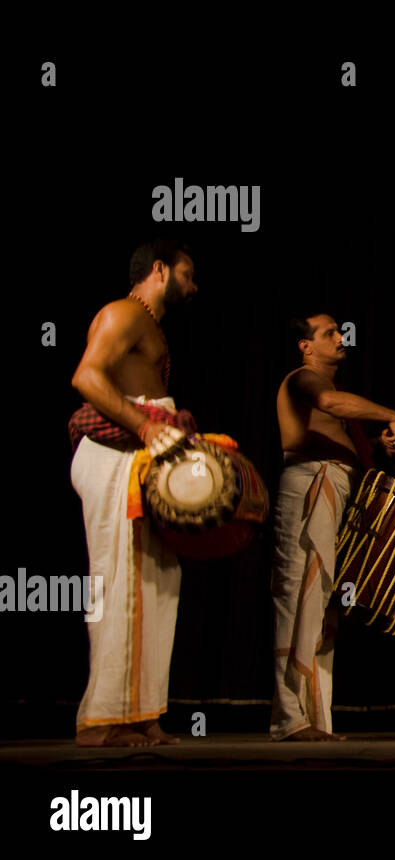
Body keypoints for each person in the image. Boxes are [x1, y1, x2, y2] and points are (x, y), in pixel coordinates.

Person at [68, 240, 199, 746]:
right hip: (116, 454)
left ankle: (141, 713)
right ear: (161, 270)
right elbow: (86, 376)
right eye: (188, 273)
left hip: (142, 458)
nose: (194, 285)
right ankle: (101, 721)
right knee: (119, 583)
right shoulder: (123, 312)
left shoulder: (149, 324)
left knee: (156, 584)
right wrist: (146, 429)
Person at [271, 313, 395, 741]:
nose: (339, 335)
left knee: (323, 608)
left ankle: (316, 720)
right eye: (328, 332)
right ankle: (289, 719)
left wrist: (382, 447)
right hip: (310, 483)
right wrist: (390, 414)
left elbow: (347, 433)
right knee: (297, 598)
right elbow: (329, 405)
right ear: (305, 346)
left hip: (333, 488)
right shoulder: (303, 380)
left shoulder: (332, 397)